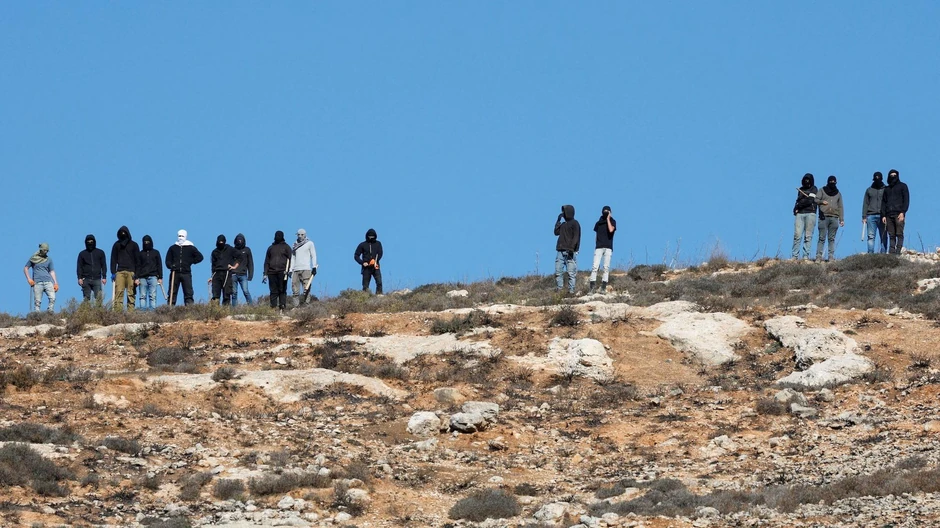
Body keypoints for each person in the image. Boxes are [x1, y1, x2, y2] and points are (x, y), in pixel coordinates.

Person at [165, 229, 204, 306]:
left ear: (185, 236)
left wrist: (190, 262)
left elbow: (200, 257)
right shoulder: (173, 248)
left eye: (182, 236)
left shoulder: (190, 247)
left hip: (186, 273)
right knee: (172, 292)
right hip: (175, 273)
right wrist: (171, 266)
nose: (180, 237)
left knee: (188, 292)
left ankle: (189, 310)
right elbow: (167, 260)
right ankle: (169, 309)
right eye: (179, 236)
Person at [110, 225, 140, 311]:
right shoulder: (116, 245)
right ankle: (118, 314)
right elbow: (113, 259)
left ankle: (130, 314)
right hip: (119, 272)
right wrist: (113, 272)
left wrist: (137, 275)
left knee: (131, 294)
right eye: (121, 233)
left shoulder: (134, 245)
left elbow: (138, 261)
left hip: (131, 273)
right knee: (119, 293)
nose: (123, 234)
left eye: (124, 233)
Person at [881, 168, 910, 255]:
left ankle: (898, 251)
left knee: (899, 233)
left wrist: (903, 212)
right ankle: (892, 253)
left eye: (895, 175)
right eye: (891, 175)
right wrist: (883, 215)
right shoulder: (886, 189)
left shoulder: (903, 186)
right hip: (889, 215)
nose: (893, 177)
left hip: (899, 214)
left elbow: (906, 200)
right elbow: (883, 202)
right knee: (891, 235)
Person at [816, 176, 844, 262]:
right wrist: (821, 202)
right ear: (828, 181)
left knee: (831, 239)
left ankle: (831, 257)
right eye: (831, 181)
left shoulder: (838, 193)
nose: (832, 183)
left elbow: (840, 207)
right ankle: (818, 257)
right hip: (823, 217)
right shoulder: (822, 190)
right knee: (822, 238)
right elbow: (816, 199)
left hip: (834, 218)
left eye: (834, 182)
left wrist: (841, 219)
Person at [589, 205, 616, 294]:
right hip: (599, 247)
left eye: (608, 212)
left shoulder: (612, 221)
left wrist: (608, 218)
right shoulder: (598, 223)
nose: (606, 213)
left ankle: (603, 287)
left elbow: (611, 230)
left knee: (606, 267)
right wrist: (596, 245)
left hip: (608, 247)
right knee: (595, 267)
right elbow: (596, 235)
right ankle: (592, 287)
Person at [24, 243, 58, 313]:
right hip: (37, 282)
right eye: (45, 250)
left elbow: (52, 271)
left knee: (52, 298)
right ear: (41, 250)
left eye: (47, 251)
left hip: (48, 281)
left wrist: (56, 283)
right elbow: (26, 268)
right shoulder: (33, 258)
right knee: (37, 301)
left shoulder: (49, 259)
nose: (46, 252)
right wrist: (29, 279)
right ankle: (37, 315)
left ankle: (50, 311)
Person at [554, 205, 581, 293]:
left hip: (570, 251)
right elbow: (556, 232)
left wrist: (572, 248)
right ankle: (559, 290)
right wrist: (558, 220)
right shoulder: (563, 224)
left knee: (571, 273)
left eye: (564, 212)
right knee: (558, 272)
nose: (563, 214)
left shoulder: (575, 223)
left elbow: (576, 236)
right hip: (560, 251)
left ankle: (571, 291)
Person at [792, 173, 818, 260]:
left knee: (808, 236)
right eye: (805, 180)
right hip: (800, 214)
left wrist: (799, 205)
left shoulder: (814, 189)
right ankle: (794, 256)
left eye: (808, 180)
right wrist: (795, 207)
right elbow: (797, 200)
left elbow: (810, 200)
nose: (807, 181)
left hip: (810, 213)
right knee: (797, 235)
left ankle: (805, 256)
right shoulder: (800, 189)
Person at [263, 230, 292, 309]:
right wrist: (265, 273)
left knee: (282, 290)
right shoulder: (270, 248)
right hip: (271, 272)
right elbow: (266, 262)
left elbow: (291, 259)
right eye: (276, 235)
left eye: (279, 235)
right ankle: (273, 306)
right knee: (273, 291)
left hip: (283, 272)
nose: (277, 237)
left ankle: (282, 306)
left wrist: (289, 270)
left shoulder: (286, 247)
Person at [208, 235, 240, 305]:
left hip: (227, 273)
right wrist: (212, 276)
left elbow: (240, 256)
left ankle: (225, 311)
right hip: (216, 274)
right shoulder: (214, 252)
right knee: (215, 295)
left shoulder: (230, 249)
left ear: (225, 242)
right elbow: (213, 265)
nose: (221, 243)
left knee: (227, 294)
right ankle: (215, 311)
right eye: (219, 242)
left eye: (222, 242)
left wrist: (234, 267)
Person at [290, 228, 318, 306]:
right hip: (296, 269)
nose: (300, 236)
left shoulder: (310, 243)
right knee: (295, 289)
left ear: (305, 235)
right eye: (298, 234)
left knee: (306, 288)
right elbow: (293, 257)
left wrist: (314, 267)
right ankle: (296, 306)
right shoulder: (295, 244)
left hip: (306, 269)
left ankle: (306, 305)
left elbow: (313, 255)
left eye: (302, 234)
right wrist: (290, 269)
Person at [76, 234, 107, 303]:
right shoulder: (82, 254)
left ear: (94, 242)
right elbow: (79, 267)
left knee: (99, 298)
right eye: (88, 242)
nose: (90, 243)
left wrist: (104, 276)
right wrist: (79, 278)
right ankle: (87, 312)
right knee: (86, 298)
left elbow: (103, 265)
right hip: (86, 279)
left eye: (91, 242)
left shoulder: (100, 253)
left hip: (97, 279)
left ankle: (99, 312)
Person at [862, 172, 887, 254]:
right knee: (870, 236)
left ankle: (883, 254)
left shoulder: (886, 189)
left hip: (883, 216)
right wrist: (864, 216)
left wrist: (887, 215)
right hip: (871, 215)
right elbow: (865, 203)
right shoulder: (869, 190)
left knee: (883, 236)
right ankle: (870, 254)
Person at [136, 235, 163, 310]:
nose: (146, 243)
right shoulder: (140, 253)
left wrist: (160, 277)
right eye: (145, 242)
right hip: (142, 277)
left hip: (153, 277)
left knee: (152, 296)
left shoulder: (156, 253)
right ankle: (142, 313)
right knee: (142, 296)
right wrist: (136, 278)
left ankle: (152, 312)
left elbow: (159, 265)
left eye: (148, 242)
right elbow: (138, 266)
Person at [354, 229, 383, 295]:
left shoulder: (378, 243)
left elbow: (380, 253)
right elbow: (356, 256)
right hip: (366, 268)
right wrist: (362, 263)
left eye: (372, 236)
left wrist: (375, 260)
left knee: (379, 282)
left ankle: (379, 296)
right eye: (369, 236)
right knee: (365, 286)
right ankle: (365, 298)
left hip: (375, 266)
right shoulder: (362, 245)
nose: (371, 238)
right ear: (367, 236)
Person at [231, 233, 254, 306]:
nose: (240, 241)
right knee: (234, 293)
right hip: (233, 274)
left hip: (243, 275)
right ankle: (234, 310)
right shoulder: (232, 250)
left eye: (241, 240)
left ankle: (251, 307)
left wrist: (250, 275)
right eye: (238, 240)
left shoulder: (247, 250)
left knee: (246, 291)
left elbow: (250, 263)